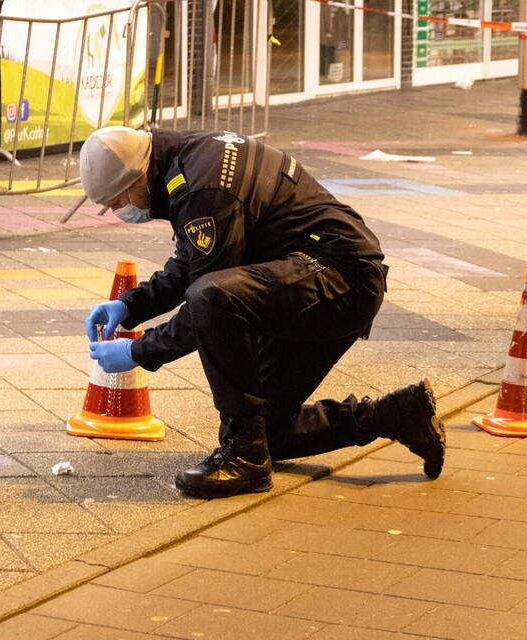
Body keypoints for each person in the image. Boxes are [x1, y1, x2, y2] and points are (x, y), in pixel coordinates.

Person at [80, 126, 445, 498]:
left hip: (337, 279)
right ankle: (397, 413)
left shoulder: (203, 186)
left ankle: (245, 461)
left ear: (138, 175)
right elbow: (193, 258)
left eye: (116, 201)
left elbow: (208, 302)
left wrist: (137, 352)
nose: (116, 211)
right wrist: (131, 305)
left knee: (211, 299)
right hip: (316, 276)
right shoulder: (187, 158)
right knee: (267, 431)